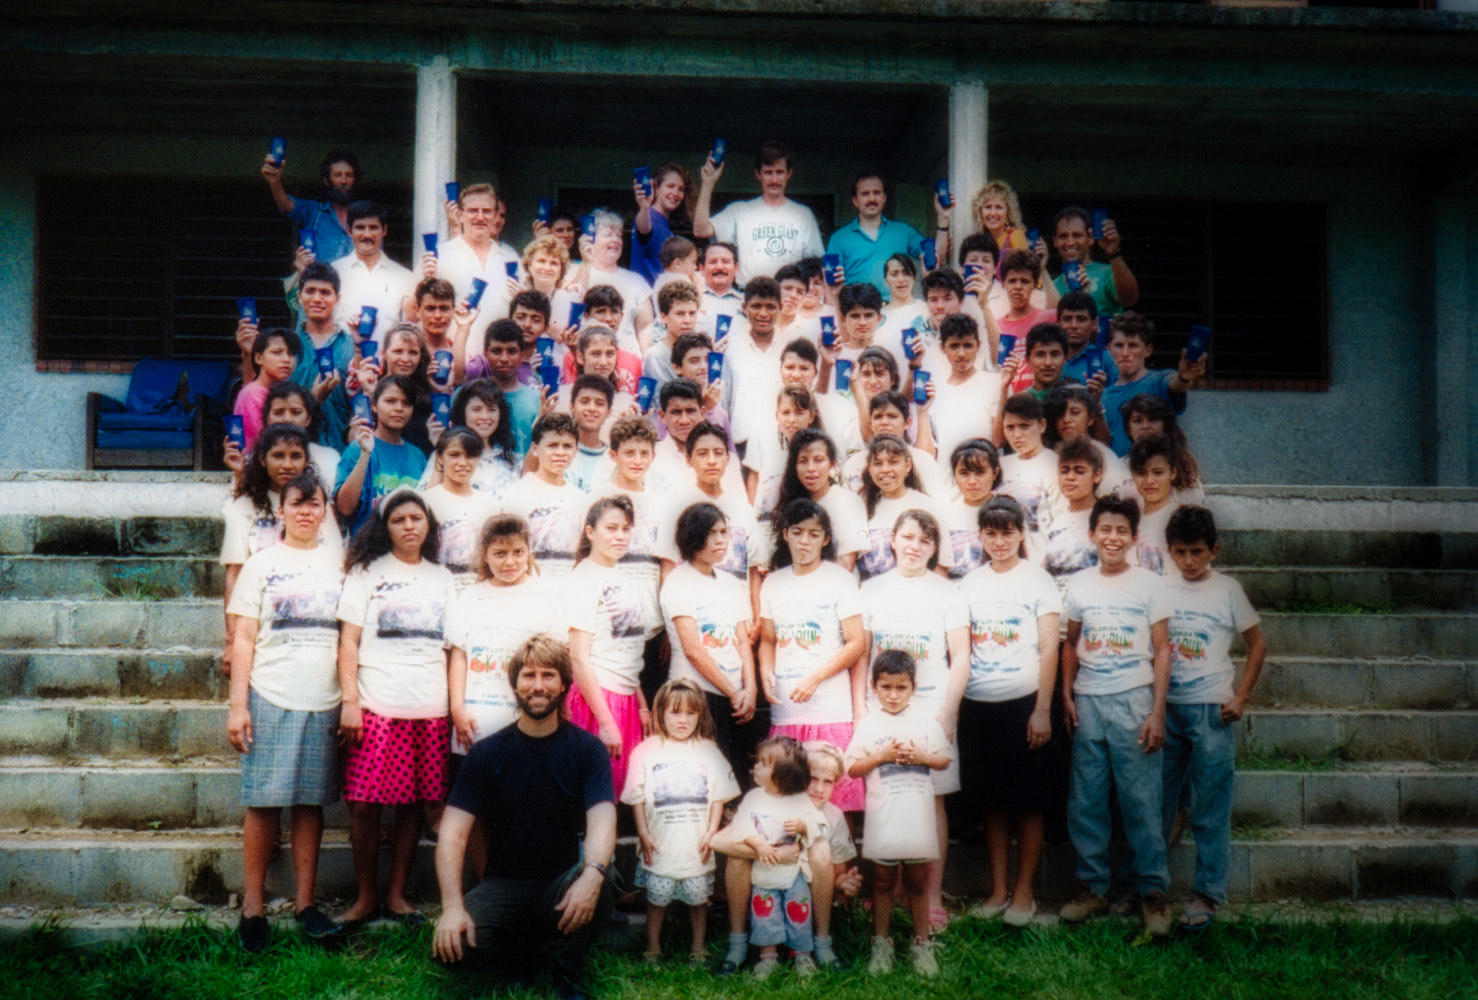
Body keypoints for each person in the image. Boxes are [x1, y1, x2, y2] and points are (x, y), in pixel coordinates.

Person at [431, 635, 617, 999]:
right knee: (454, 953)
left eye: (549, 675)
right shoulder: (486, 753)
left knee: (604, 876)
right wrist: (452, 907)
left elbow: (603, 819)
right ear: (514, 684)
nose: (538, 686)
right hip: (504, 884)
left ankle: (568, 971)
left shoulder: (587, 749)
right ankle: (521, 949)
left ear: (564, 684)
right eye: (528, 675)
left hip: (560, 885)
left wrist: (591, 875)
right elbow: (452, 834)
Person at [223, 470, 346, 953]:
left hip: (324, 697)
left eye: (314, 504)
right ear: (283, 511)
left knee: (310, 802)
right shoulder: (261, 563)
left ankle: (306, 903)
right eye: (297, 503)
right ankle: (252, 905)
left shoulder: (341, 564)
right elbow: (244, 637)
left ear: (324, 510)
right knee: (264, 801)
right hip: (270, 692)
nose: (306, 511)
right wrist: (238, 706)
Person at [336, 487, 455, 929]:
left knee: (414, 804)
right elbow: (347, 641)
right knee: (365, 805)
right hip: (375, 704)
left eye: (416, 519)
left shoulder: (443, 578)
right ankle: (366, 896)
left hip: (428, 707)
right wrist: (350, 701)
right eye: (398, 520)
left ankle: (397, 895)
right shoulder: (366, 573)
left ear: (429, 525)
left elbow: (451, 649)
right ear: (385, 528)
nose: (409, 526)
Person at [1058, 495, 1173, 937]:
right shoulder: (1080, 584)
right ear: (1092, 534)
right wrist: (1067, 695)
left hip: (1134, 700)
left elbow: (1163, 649)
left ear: (1133, 537)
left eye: (1121, 531)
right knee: (1086, 801)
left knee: (1141, 800)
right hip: (1089, 701)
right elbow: (1070, 644)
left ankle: (1152, 893)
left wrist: (1157, 711)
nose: (1112, 537)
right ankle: (1091, 887)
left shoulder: (1149, 584)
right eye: (1104, 529)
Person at [859, 508, 970, 932]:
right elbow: (863, 657)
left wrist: (947, 713)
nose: (914, 546)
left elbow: (960, 657)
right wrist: (861, 709)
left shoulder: (948, 593)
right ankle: (888, 889)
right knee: (886, 793)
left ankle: (931, 892)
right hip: (882, 708)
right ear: (892, 539)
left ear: (934, 548)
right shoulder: (871, 590)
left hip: (931, 709)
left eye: (925, 540)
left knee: (932, 799)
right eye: (907, 537)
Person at [957, 496, 1061, 928]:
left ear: (1022, 533)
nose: (1000, 541)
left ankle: (1025, 892)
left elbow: (1050, 648)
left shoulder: (1039, 582)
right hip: (979, 705)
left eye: (1008, 532)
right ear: (980, 536)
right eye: (991, 533)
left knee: (1027, 804)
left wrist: (1042, 710)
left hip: (1024, 703)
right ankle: (999, 890)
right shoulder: (968, 584)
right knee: (992, 804)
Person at [1161, 505, 1267, 930]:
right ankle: (1148, 886)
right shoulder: (1160, 588)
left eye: (1197, 552)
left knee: (1210, 804)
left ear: (1214, 551)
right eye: (1181, 552)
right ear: (1170, 551)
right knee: (1158, 803)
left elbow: (1257, 644)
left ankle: (1206, 893)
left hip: (1212, 710)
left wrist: (1241, 697)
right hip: (1167, 709)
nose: (1188, 561)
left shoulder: (1227, 590)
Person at [445, 515, 563, 880]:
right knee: (477, 807)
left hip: (530, 721)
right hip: (477, 720)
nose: (509, 561)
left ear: (529, 551)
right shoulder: (470, 596)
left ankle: (529, 884)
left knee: (529, 805)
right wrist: (457, 709)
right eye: (499, 553)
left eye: (517, 552)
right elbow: (460, 655)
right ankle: (486, 882)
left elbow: (558, 661)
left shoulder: (546, 594)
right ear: (485, 554)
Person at [847, 650, 955, 978]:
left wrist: (920, 755)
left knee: (918, 882)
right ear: (873, 687)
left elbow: (943, 760)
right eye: (886, 687)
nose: (893, 695)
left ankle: (921, 944)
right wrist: (881, 755)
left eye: (901, 688)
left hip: (917, 817)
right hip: (884, 817)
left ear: (914, 687)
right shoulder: (869, 724)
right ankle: (881, 943)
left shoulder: (925, 722)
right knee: (881, 880)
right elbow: (852, 767)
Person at [622, 679, 741, 966]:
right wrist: (642, 831)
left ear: (701, 715)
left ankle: (698, 946)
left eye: (691, 713)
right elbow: (636, 796)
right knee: (656, 901)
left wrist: (713, 830)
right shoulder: (646, 750)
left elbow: (718, 796)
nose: (683, 720)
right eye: (675, 712)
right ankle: (653, 947)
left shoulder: (708, 750)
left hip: (695, 841)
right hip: (660, 841)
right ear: (660, 713)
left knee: (698, 900)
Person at [759, 498, 866, 811]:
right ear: (785, 534)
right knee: (788, 803)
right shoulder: (773, 583)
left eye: (813, 534)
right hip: (787, 712)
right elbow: (767, 639)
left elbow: (856, 643)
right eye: (797, 532)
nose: (804, 541)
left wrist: (816, 677)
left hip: (829, 711)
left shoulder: (840, 580)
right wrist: (766, 669)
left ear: (826, 539)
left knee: (835, 804)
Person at [717, 736, 830, 980]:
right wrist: (758, 844)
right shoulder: (754, 798)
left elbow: (821, 825)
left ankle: (803, 955)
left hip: (794, 876)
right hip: (764, 872)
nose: (756, 767)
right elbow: (740, 827)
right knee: (764, 915)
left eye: (765, 763)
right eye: (757, 761)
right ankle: (767, 959)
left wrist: (802, 824)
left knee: (799, 911)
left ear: (784, 773)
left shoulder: (800, 799)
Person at [220, 426, 328, 680]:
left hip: (309, 625)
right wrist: (231, 640)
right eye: (278, 455)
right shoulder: (243, 507)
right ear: (261, 459)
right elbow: (234, 575)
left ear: (307, 461)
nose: (287, 464)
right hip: (258, 624)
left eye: (295, 456)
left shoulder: (320, 506)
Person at [660, 502, 759, 777]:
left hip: (736, 700)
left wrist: (750, 689)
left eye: (724, 532)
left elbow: (741, 641)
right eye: (711, 533)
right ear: (693, 537)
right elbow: (693, 651)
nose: (720, 540)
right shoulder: (679, 581)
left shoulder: (730, 583)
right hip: (696, 696)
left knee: (733, 777)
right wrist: (734, 693)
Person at [565, 494, 649, 792]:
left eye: (626, 528)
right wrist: (606, 721)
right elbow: (578, 658)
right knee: (597, 798)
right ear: (590, 532)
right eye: (611, 528)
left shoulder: (623, 577)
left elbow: (626, 647)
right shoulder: (583, 578)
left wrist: (640, 704)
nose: (620, 536)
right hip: (597, 699)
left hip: (626, 697)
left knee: (621, 796)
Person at [589, 417, 668, 703]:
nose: (637, 460)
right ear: (613, 455)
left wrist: (668, 627)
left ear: (653, 456)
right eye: (629, 453)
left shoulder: (662, 505)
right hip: (609, 627)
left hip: (652, 627)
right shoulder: (597, 500)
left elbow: (666, 569)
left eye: (644, 453)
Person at [656, 423, 761, 626]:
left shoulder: (743, 508)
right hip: (694, 621)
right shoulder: (676, 506)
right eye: (702, 454)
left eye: (718, 453)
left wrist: (756, 618)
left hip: (738, 620)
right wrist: (670, 627)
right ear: (689, 460)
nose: (711, 461)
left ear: (728, 459)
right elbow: (667, 568)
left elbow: (754, 570)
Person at [693, 141, 824, 287]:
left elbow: (817, 264)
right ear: (758, 174)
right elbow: (701, 230)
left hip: (789, 300)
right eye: (768, 173)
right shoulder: (739, 210)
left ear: (789, 173)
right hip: (749, 299)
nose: (774, 180)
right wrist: (708, 183)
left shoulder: (804, 214)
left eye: (779, 172)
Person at [826, 172, 949, 300]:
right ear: (855, 201)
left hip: (897, 311)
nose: (871, 199)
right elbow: (831, 285)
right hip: (859, 313)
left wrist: (943, 218)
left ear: (884, 198)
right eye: (865, 194)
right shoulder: (839, 238)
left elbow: (936, 260)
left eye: (877, 193)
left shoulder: (903, 231)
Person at [334, 375, 427, 537]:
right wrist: (365, 454)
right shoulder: (358, 448)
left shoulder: (417, 456)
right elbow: (345, 508)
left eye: (406, 403)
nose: (399, 408)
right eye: (390, 401)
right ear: (374, 406)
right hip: (368, 548)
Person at [1103, 311, 1206, 456]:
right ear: (1109, 350)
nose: (1125, 353)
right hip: (1119, 473)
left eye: (1133, 346)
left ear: (1147, 350)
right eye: (1119, 346)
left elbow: (1176, 385)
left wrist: (1184, 377)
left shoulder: (1159, 381)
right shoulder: (1104, 396)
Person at [433, 184, 519, 357]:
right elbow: (413, 311)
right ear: (460, 215)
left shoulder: (511, 258)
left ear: (495, 216)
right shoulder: (439, 256)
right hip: (450, 363)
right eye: (473, 210)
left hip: (498, 365)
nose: (480, 217)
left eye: (486, 211)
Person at [498, 413, 584, 579]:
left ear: (576, 450)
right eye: (552, 445)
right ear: (536, 449)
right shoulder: (518, 493)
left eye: (567, 446)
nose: (560, 452)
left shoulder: (580, 498)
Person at [857, 435, 952, 582]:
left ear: (907, 466)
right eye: (878, 463)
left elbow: (940, 568)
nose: (885, 470)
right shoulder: (861, 509)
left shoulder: (927, 506)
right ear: (869, 468)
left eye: (893, 462)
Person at [423, 429, 501, 593]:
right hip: (439, 590)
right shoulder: (426, 502)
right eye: (454, 455)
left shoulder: (491, 504)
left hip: (480, 591)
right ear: (440, 457)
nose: (463, 463)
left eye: (470, 455)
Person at [420, 379, 519, 498]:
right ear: (463, 413)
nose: (484, 417)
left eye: (491, 410)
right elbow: (427, 502)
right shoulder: (445, 455)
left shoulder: (511, 460)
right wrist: (441, 448)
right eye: (476, 409)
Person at [331, 201, 412, 344]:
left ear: (384, 230)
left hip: (386, 364)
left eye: (373, 228)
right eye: (360, 228)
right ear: (349, 231)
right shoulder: (333, 273)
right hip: (342, 364)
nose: (367, 234)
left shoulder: (404, 277)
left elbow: (409, 328)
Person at [262, 147, 360, 264]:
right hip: (320, 281)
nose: (344, 181)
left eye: (349, 175)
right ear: (327, 181)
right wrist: (274, 182)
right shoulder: (315, 211)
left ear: (355, 180)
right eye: (338, 175)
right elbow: (286, 205)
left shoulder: (366, 214)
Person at [931, 314, 1002, 465]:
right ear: (942, 348)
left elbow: (998, 441)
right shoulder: (935, 391)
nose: (961, 353)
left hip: (981, 477)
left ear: (978, 345)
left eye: (968, 345)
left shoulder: (995, 383)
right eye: (954, 346)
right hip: (946, 482)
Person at [1039, 438, 1104, 595]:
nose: (1070, 477)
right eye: (1064, 470)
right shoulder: (1058, 522)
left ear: (1097, 475)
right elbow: (1044, 572)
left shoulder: (1106, 517)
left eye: (1079, 471)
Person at [1050, 205, 1140, 317]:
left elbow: (1129, 299)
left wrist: (1113, 252)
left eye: (1077, 235)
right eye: (1063, 236)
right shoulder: (1051, 286)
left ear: (1090, 238)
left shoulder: (1108, 272)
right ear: (1055, 241)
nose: (1070, 242)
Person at [992, 250, 1060, 395]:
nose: (1018, 286)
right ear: (1003, 283)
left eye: (1025, 281)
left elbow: (1059, 311)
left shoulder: (1046, 318)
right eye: (1012, 281)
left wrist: (1043, 271)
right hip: (1009, 400)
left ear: (1035, 284)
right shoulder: (996, 327)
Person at [1043, 385, 1131, 495]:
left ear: (1090, 419)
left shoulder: (1104, 455)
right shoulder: (1049, 456)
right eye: (1060, 414)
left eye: (1075, 413)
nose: (1066, 419)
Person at [1119, 395, 1206, 503]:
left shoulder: (1182, 466)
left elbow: (1194, 506)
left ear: (1165, 427)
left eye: (1152, 419)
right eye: (1138, 421)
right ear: (1129, 430)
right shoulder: (1118, 468)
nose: (1145, 426)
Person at [234, 328, 300, 454]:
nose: (286, 359)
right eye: (277, 352)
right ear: (258, 358)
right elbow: (270, 440)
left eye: (291, 353)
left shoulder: (285, 391)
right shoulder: (252, 394)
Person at [943, 438, 1002, 578]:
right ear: (954, 475)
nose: (972, 482)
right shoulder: (946, 513)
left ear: (994, 473)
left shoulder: (1006, 510)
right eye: (964, 473)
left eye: (980, 473)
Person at [1129, 435, 1182, 575]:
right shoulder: (1130, 519)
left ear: (1173, 473)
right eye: (1141, 473)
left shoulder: (1182, 519)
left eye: (1158, 473)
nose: (1149, 481)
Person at [632, 163, 693, 285]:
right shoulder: (649, 216)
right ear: (657, 188)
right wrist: (644, 207)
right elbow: (644, 230)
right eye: (670, 186)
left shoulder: (664, 223)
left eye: (681, 189)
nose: (676, 193)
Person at [642, 281, 702, 385]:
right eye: (680, 314)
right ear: (664, 317)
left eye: (692, 313)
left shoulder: (702, 350)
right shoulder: (656, 356)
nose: (687, 320)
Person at [1056, 291, 1118, 390]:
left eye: (1081, 319)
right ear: (1059, 324)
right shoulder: (1051, 357)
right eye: (1067, 319)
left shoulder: (1105, 358)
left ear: (1094, 324)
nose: (1074, 326)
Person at [566, 374, 614, 493]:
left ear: (608, 412)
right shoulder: (560, 451)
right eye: (585, 401)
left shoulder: (613, 458)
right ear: (572, 407)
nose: (592, 409)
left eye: (599, 404)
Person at [969, 180, 1029, 263]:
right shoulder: (983, 240)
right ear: (980, 211)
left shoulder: (1016, 235)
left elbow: (1023, 271)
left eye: (999, 207)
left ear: (1008, 212)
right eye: (988, 207)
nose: (993, 213)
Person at [697, 241, 743, 325]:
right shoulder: (691, 299)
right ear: (702, 269)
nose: (719, 267)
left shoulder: (747, 301)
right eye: (713, 262)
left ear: (736, 268)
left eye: (725, 261)